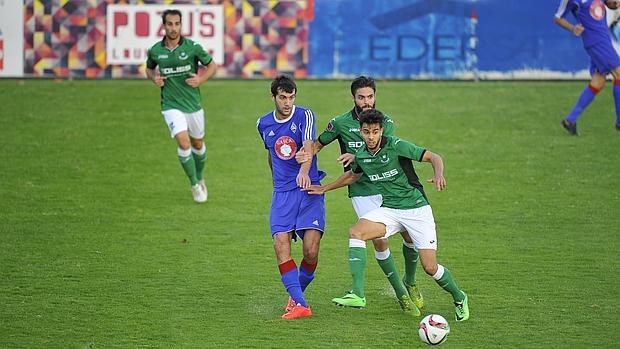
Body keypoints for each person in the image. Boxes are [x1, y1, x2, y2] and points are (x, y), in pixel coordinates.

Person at [304, 109, 470, 322]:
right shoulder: (362, 155)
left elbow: (433, 157)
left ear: (381, 130)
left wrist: (438, 174)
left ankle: (459, 297)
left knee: (430, 267)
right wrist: (325, 188)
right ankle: (357, 294)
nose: (371, 136)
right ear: (361, 132)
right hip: (390, 210)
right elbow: (352, 176)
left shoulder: (396, 145)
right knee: (356, 232)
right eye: (366, 132)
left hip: (417, 210)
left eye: (375, 132)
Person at [296, 76, 423, 315]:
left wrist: (357, 157)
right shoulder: (340, 123)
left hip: (389, 188)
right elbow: (318, 144)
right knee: (380, 240)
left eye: (370, 96)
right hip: (362, 192)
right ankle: (402, 296)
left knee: (410, 235)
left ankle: (411, 280)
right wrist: (302, 155)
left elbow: (384, 149)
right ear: (353, 97)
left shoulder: (385, 122)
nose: (367, 102)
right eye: (361, 97)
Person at [256, 75, 326, 320]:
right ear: (273, 96)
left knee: (310, 252)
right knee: (280, 245)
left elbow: (308, 148)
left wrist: (304, 173)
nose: (288, 102)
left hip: (308, 189)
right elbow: (270, 154)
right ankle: (300, 303)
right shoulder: (263, 123)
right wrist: (276, 181)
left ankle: (296, 296)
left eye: (291, 97)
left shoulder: (305, 116)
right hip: (283, 193)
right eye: (283, 97)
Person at [145, 9, 217, 202]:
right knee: (184, 143)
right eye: (170, 24)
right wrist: (155, 78)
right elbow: (149, 69)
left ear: (181, 25)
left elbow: (212, 66)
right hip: (170, 104)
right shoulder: (155, 51)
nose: (174, 28)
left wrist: (200, 80)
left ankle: (200, 177)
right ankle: (194, 184)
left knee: (198, 144)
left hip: (193, 104)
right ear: (164, 25)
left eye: (177, 24)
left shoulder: (192, 47)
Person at [555, 0, 620, 135]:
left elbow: (609, 4)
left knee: (598, 82)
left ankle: (570, 120)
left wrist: (615, 3)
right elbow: (558, 18)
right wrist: (573, 28)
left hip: (603, 40)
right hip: (596, 42)